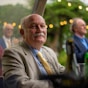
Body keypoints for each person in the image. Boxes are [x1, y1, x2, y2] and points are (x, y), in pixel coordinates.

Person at [2, 14, 65, 88]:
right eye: (34, 26)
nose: (40, 30)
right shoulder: (12, 54)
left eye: (42, 26)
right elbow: (20, 84)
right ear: (22, 32)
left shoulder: (49, 51)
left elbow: (63, 72)